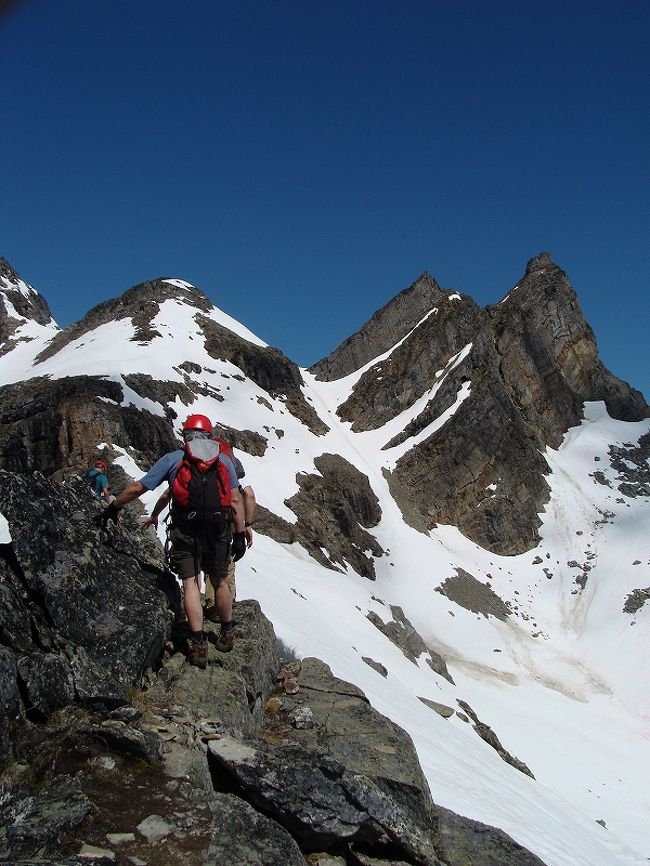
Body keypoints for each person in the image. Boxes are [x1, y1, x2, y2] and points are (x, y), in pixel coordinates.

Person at [94, 414, 246, 667]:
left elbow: (139, 488)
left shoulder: (175, 459)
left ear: (185, 434)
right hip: (218, 530)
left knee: (189, 584)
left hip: (185, 529)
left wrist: (114, 507)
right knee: (219, 581)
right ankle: (227, 632)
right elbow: (236, 499)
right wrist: (239, 534)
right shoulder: (223, 459)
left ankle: (198, 645)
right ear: (210, 435)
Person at [144, 440, 256, 637]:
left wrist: (155, 515)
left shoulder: (184, 463)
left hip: (188, 525)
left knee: (191, 577)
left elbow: (168, 494)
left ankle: (196, 632)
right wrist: (245, 526)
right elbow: (244, 496)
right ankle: (222, 618)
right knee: (222, 574)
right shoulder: (226, 464)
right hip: (222, 522)